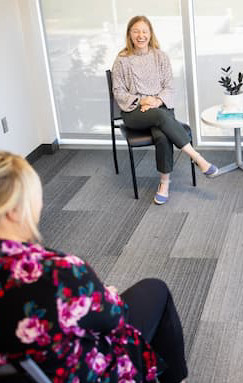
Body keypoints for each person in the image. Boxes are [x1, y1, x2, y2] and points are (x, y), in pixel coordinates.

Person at [0, 151, 188, 383]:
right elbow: (115, 319)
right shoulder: (57, 274)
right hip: (81, 372)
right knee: (156, 289)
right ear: (12, 211)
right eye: (34, 195)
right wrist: (106, 294)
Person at [112, 15, 218, 205]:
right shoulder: (122, 60)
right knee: (162, 117)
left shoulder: (161, 57)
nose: (140, 35)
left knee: (162, 135)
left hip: (159, 108)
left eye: (144, 31)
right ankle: (197, 157)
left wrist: (156, 100)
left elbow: (169, 87)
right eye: (136, 31)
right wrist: (142, 100)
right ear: (129, 34)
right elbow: (118, 91)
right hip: (134, 112)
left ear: (150, 33)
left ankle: (164, 184)